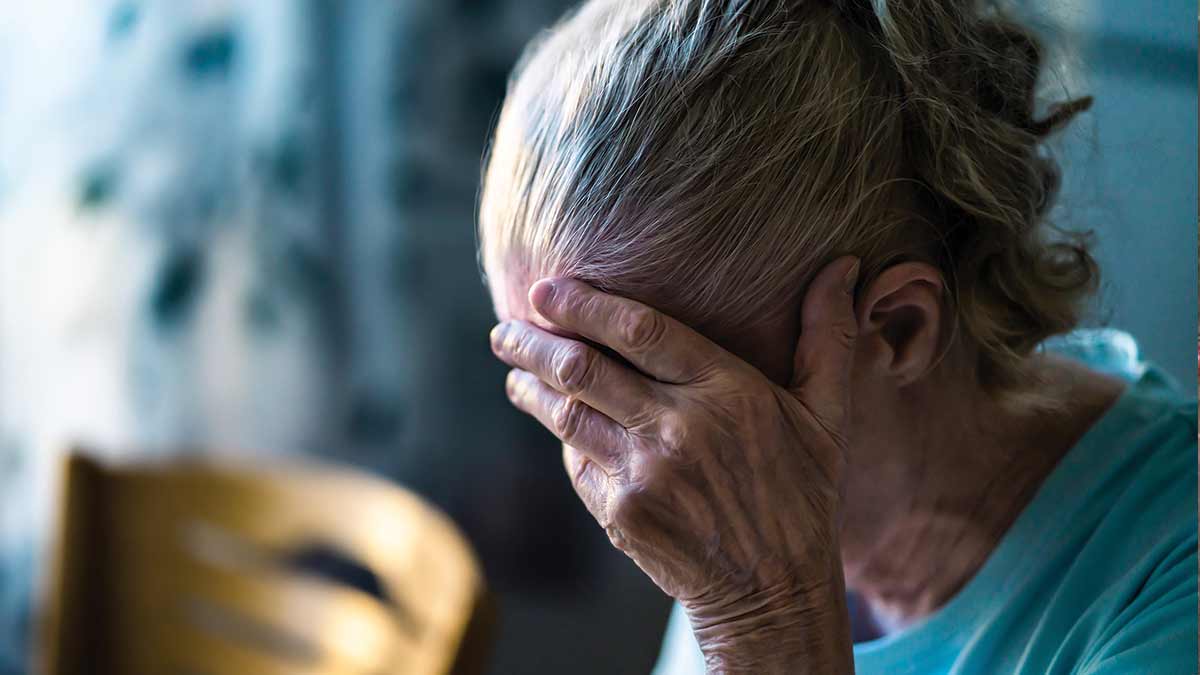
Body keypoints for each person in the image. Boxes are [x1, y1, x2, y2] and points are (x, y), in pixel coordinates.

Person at [477, 0, 1198, 672]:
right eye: (570, 397)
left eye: (637, 396)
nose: (625, 486)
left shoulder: (1167, 585)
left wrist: (767, 620)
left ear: (897, 329)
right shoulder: (722, 490)